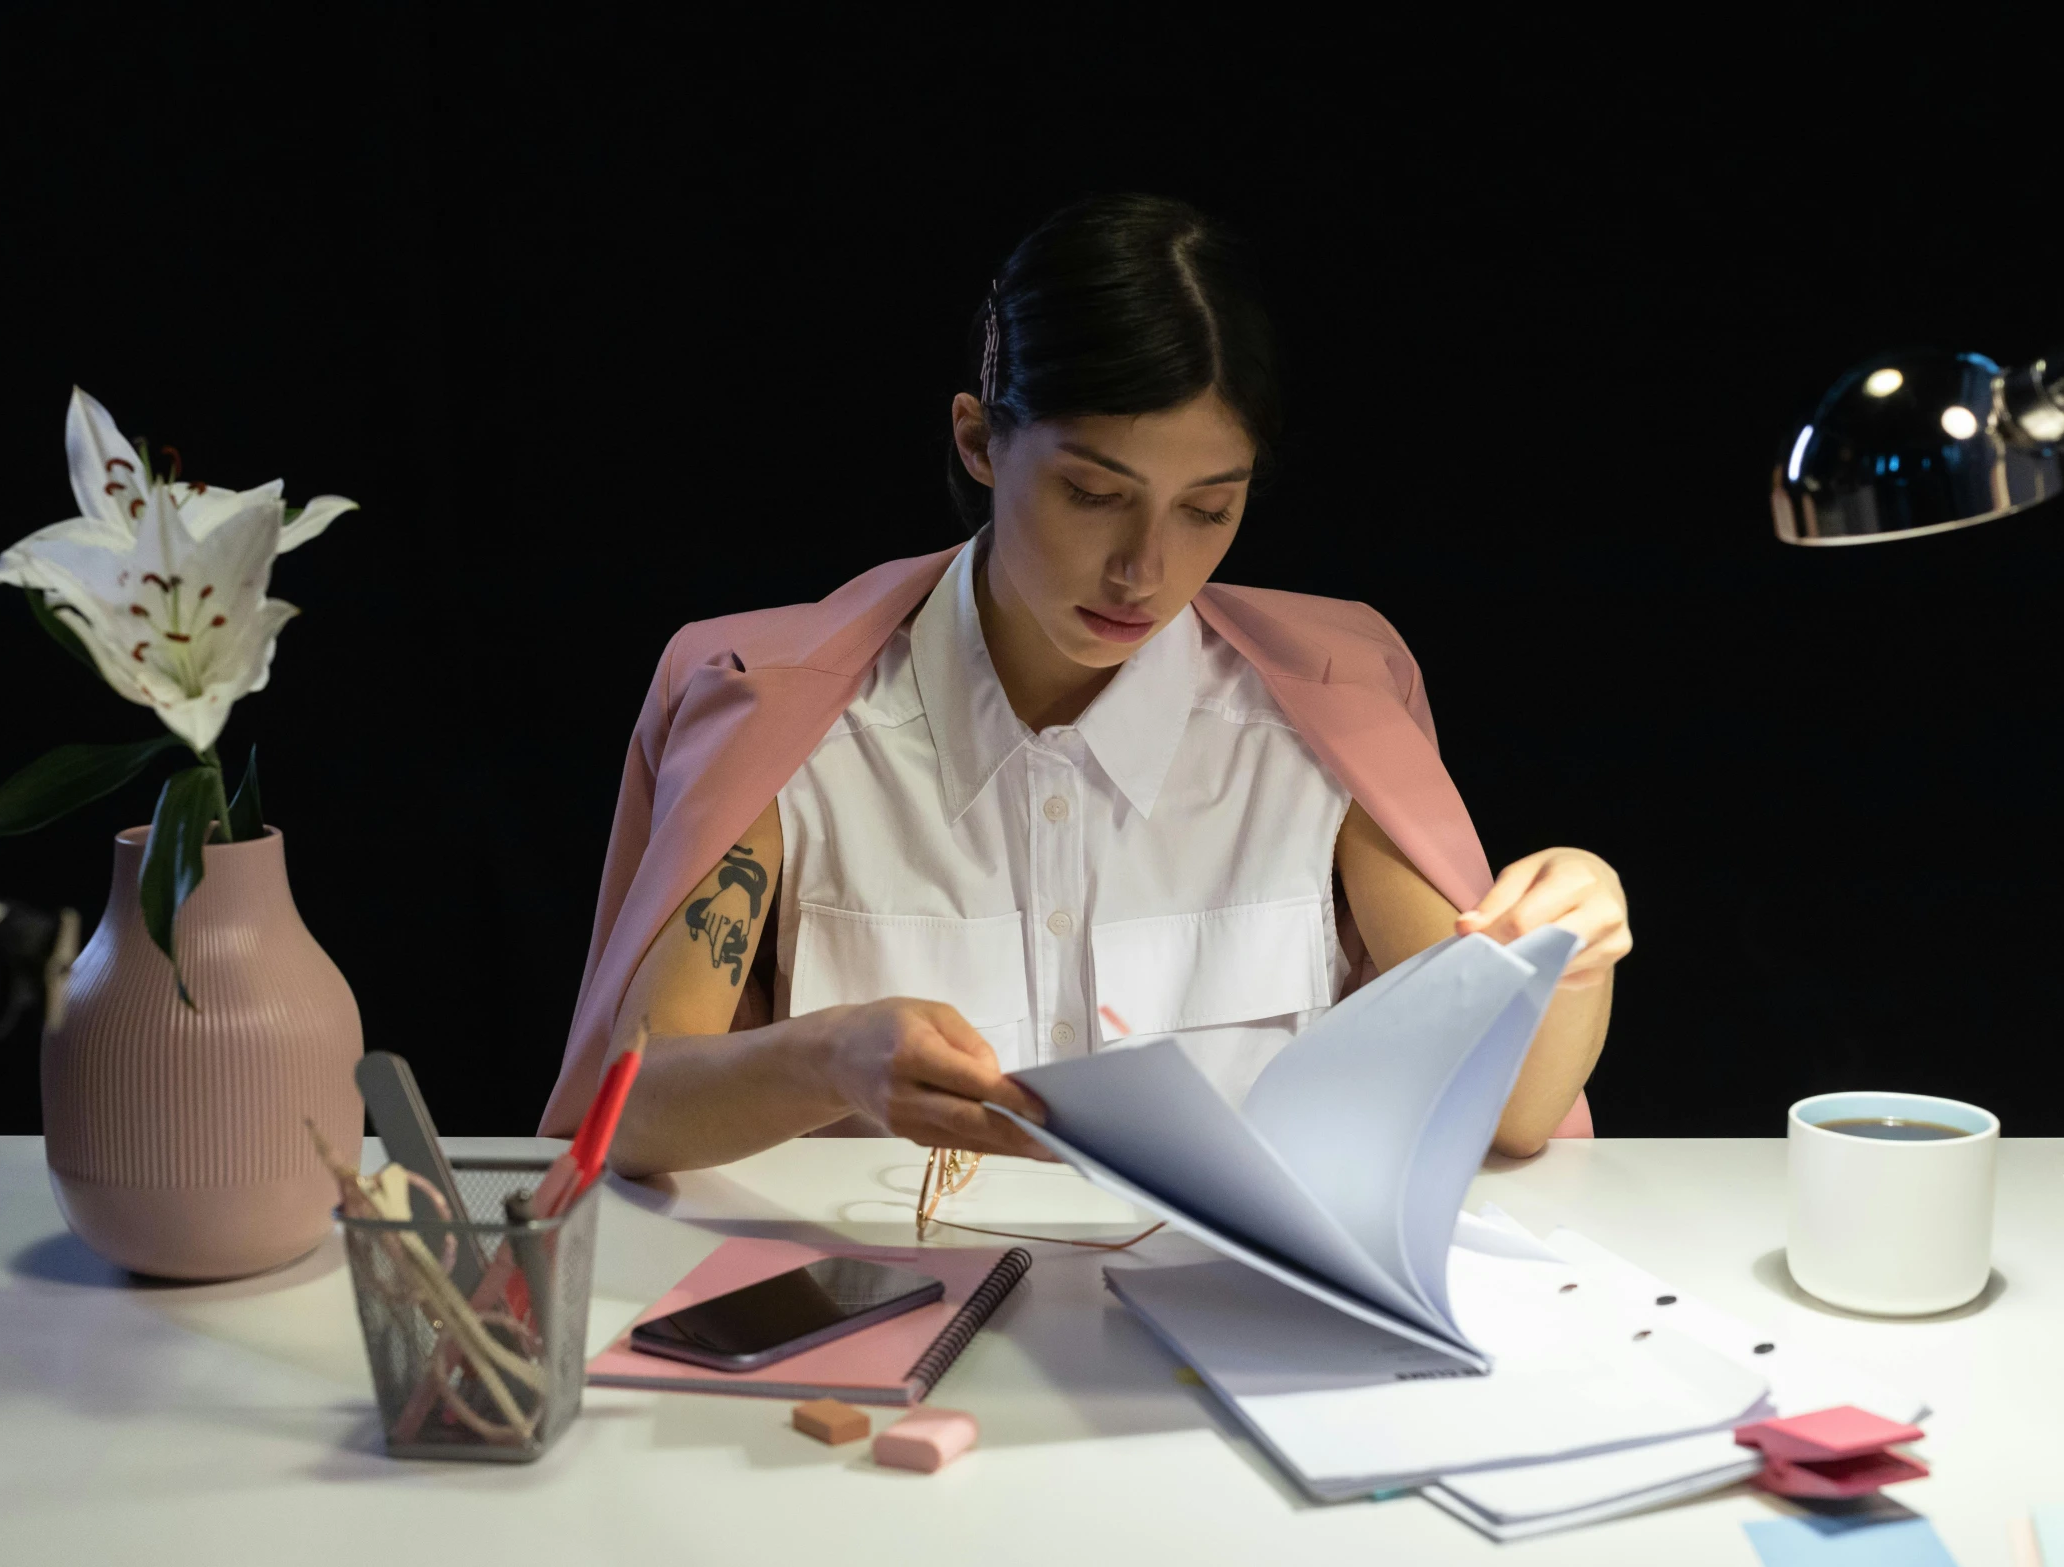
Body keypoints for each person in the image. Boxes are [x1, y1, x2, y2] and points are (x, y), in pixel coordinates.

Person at [541, 195, 1630, 1176]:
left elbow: (1509, 1111)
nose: (1144, 570)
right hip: (880, 1334)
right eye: (1091, 493)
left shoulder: (1328, 708)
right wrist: (827, 1058)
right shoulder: (778, 709)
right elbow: (627, 1109)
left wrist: (1575, 942)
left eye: (1207, 508)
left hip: (1233, 1342)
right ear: (978, 439)